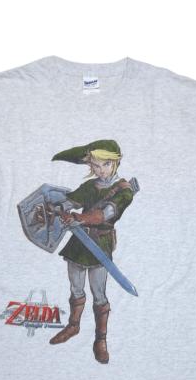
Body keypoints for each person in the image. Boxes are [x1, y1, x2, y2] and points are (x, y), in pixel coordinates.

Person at [48, 139, 134, 364]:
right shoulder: (90, 186)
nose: (100, 170)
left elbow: (105, 214)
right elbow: (69, 202)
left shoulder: (124, 192)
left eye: (105, 164)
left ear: (115, 162)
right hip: (79, 242)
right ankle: (73, 326)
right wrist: (58, 208)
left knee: (99, 294)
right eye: (95, 165)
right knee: (76, 288)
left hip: (99, 245)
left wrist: (80, 218)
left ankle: (100, 340)